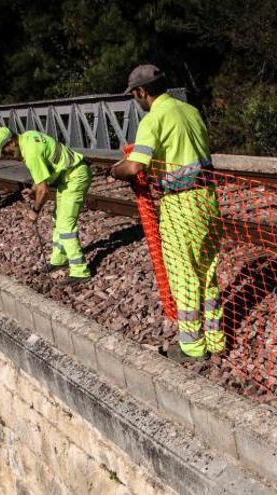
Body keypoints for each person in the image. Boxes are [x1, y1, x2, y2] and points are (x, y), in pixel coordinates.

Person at [111, 64, 223, 363]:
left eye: (134, 95)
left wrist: (114, 170)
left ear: (141, 91)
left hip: (180, 204)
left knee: (183, 275)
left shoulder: (154, 119)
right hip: (208, 199)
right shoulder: (190, 111)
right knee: (207, 272)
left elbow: (135, 166)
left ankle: (192, 346)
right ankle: (216, 338)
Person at [0, 127, 92, 283]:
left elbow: (44, 191)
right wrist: (34, 189)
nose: (7, 156)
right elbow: (44, 176)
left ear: (12, 142)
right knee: (57, 219)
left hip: (75, 176)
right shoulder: (28, 136)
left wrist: (35, 210)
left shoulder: (30, 153)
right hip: (68, 175)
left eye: (6, 152)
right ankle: (59, 259)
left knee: (65, 225)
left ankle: (80, 271)